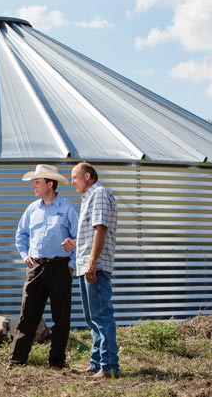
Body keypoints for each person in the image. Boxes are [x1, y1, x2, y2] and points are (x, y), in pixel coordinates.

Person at [10, 164, 79, 369]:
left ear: (50, 184)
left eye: (37, 182)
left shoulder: (67, 208)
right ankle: (17, 359)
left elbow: (79, 237)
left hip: (60, 268)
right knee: (28, 315)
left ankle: (56, 362)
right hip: (36, 268)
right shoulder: (32, 208)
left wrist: (72, 266)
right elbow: (20, 234)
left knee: (61, 318)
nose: (34, 185)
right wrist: (24, 255)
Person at [62, 162, 120, 379]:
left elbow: (101, 229)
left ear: (87, 176)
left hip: (94, 265)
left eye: (74, 177)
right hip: (86, 263)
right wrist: (75, 244)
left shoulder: (100, 194)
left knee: (102, 316)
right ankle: (96, 364)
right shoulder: (88, 198)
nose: (72, 181)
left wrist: (92, 262)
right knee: (91, 317)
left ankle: (109, 367)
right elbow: (92, 233)